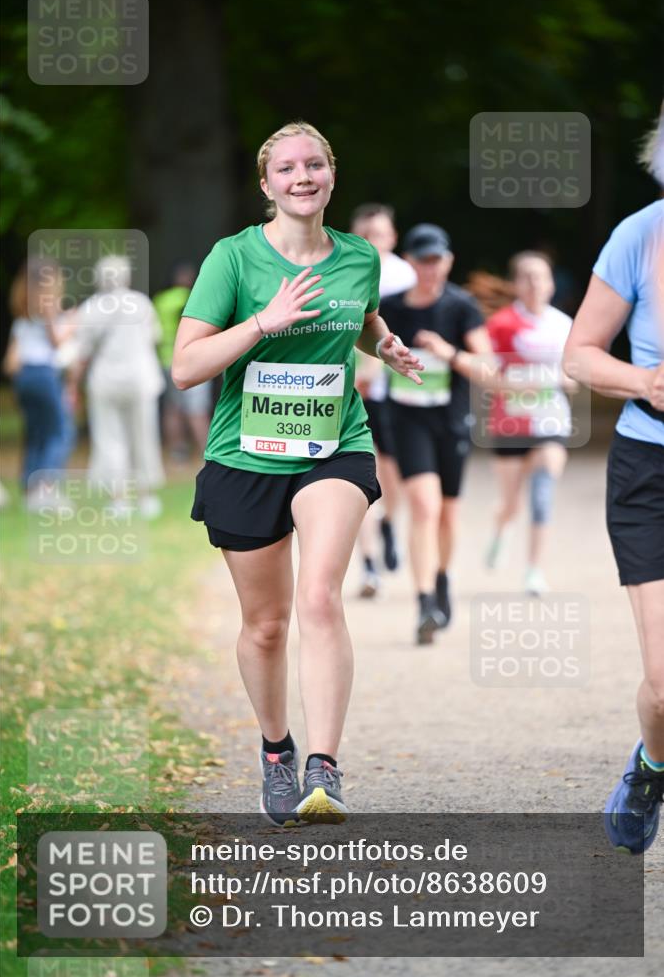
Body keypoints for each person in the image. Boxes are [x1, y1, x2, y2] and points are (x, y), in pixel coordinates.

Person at [172, 121, 423, 825]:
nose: (302, 177)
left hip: (332, 444)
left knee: (318, 596)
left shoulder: (359, 257)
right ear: (267, 184)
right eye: (286, 168)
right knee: (265, 626)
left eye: (314, 165)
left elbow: (361, 317)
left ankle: (324, 766)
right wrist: (264, 322)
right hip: (245, 454)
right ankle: (277, 750)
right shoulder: (233, 258)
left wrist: (384, 345)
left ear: (331, 175)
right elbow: (185, 367)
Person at [563, 114, 664, 855]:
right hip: (648, 467)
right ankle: (652, 765)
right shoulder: (639, 234)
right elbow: (579, 354)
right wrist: (646, 381)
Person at [380, 223, 491, 643]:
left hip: (451, 420)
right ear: (409, 262)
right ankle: (424, 601)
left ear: (448, 261)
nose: (430, 268)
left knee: (447, 512)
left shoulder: (461, 306)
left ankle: (442, 577)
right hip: (407, 418)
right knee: (423, 507)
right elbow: (370, 353)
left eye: (437, 260)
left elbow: (489, 368)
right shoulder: (391, 308)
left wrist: (450, 352)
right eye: (423, 260)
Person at [482, 252, 576, 595]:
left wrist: (563, 380)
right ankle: (501, 528)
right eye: (528, 277)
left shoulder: (564, 325)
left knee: (542, 492)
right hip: (510, 423)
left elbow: (576, 373)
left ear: (552, 283)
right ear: (516, 284)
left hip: (551, 422)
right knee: (512, 503)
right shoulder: (501, 324)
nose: (536, 284)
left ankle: (534, 570)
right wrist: (516, 384)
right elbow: (486, 374)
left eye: (542, 276)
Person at [350, 204, 416, 596]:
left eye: (380, 234)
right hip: (356, 390)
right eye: (365, 235)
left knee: (393, 476)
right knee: (362, 473)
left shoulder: (405, 277)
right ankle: (369, 564)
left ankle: (390, 523)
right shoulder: (346, 272)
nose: (373, 241)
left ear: (392, 237)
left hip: (396, 392)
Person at [68, 255, 166, 519]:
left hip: (105, 380)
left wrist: (72, 385)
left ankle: (119, 499)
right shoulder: (141, 303)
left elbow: (81, 352)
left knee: (110, 439)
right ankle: (146, 496)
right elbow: (154, 337)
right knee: (144, 435)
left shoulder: (91, 308)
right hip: (140, 378)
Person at [5, 258, 76, 510]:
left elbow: (10, 362)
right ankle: (46, 488)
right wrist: (72, 322)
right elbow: (57, 341)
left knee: (35, 433)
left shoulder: (22, 314)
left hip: (24, 377)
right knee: (60, 431)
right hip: (44, 374)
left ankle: (29, 488)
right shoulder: (48, 304)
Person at [153, 264, 212, 461]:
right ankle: (207, 453)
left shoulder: (161, 300)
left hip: (167, 360)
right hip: (192, 359)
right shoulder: (192, 298)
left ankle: (177, 452)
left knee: (173, 408)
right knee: (197, 410)